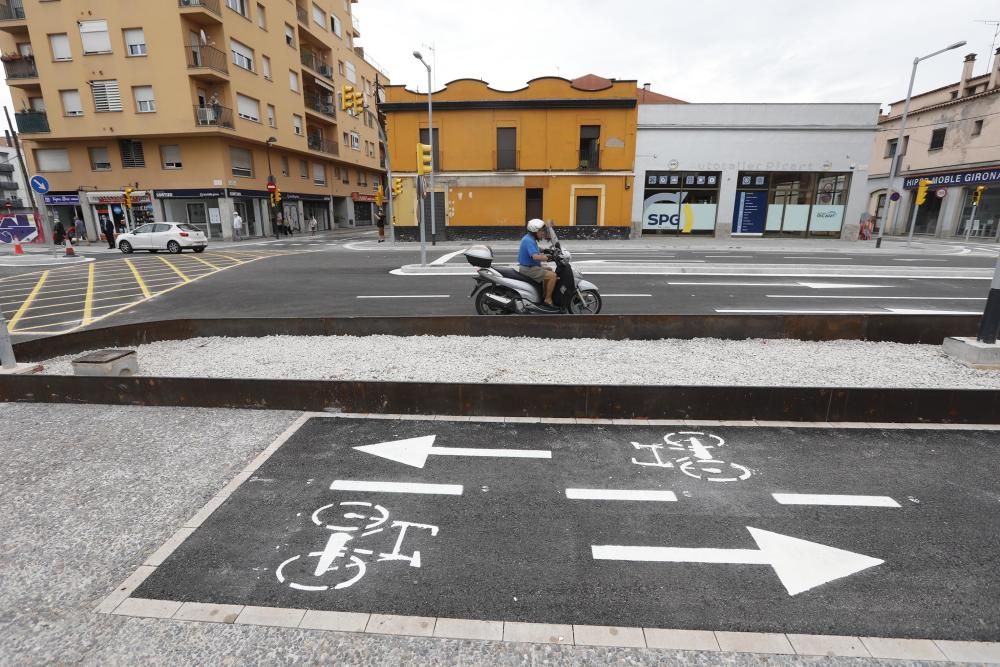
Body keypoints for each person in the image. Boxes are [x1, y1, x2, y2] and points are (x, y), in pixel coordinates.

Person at [518, 218, 558, 311]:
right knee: (553, 276)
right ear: (535, 231)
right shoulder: (529, 240)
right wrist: (550, 258)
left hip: (530, 266)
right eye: (541, 231)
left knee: (549, 270)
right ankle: (547, 300)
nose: (543, 233)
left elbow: (535, 248)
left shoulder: (529, 238)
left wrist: (545, 250)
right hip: (528, 268)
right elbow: (535, 256)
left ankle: (544, 294)